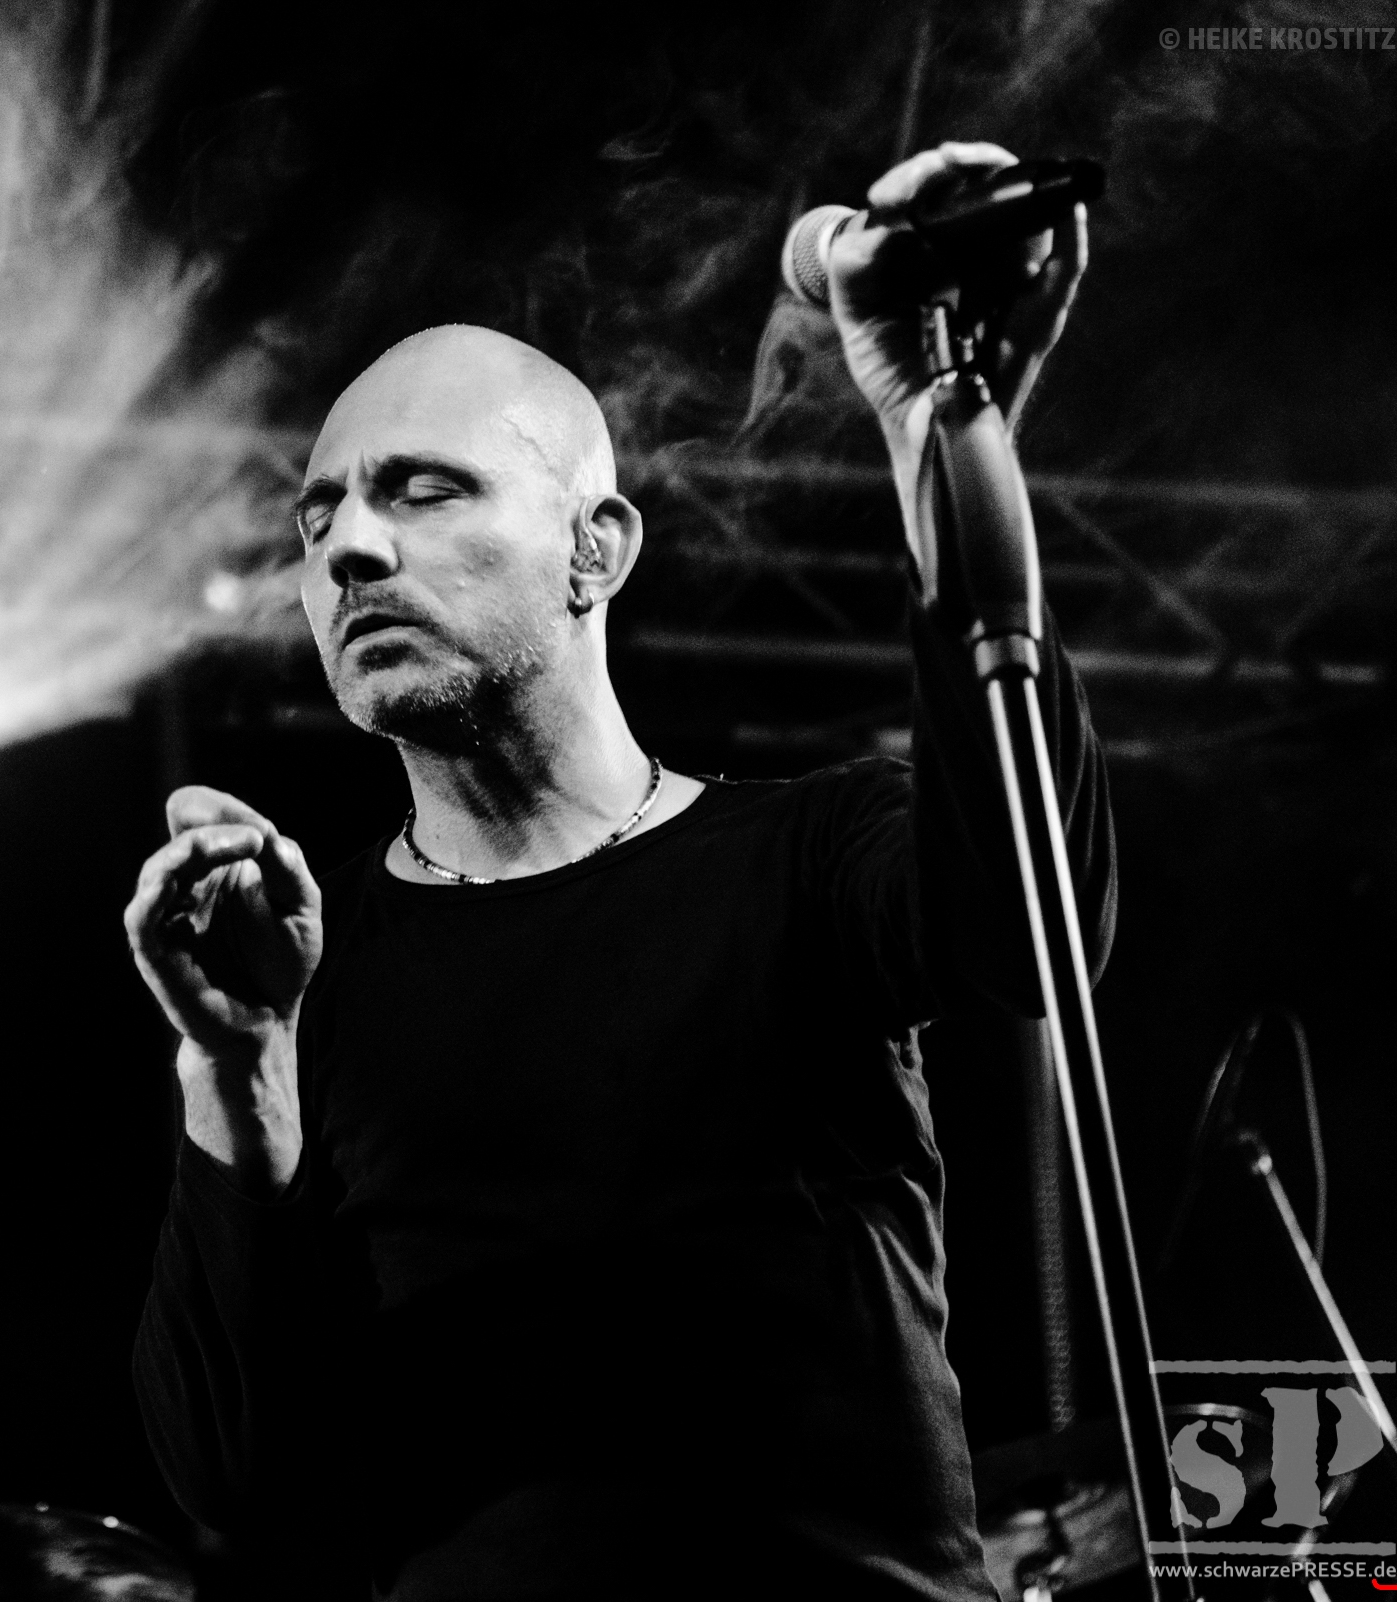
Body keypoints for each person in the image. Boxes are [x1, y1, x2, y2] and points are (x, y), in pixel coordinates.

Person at [123, 143, 1111, 1601]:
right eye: (320, 516)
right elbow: (232, 1476)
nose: (350, 550)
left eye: (423, 490)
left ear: (596, 551)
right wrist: (235, 1073)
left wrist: (942, 434)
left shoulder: (810, 853)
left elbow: (1031, 928)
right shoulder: (303, 975)